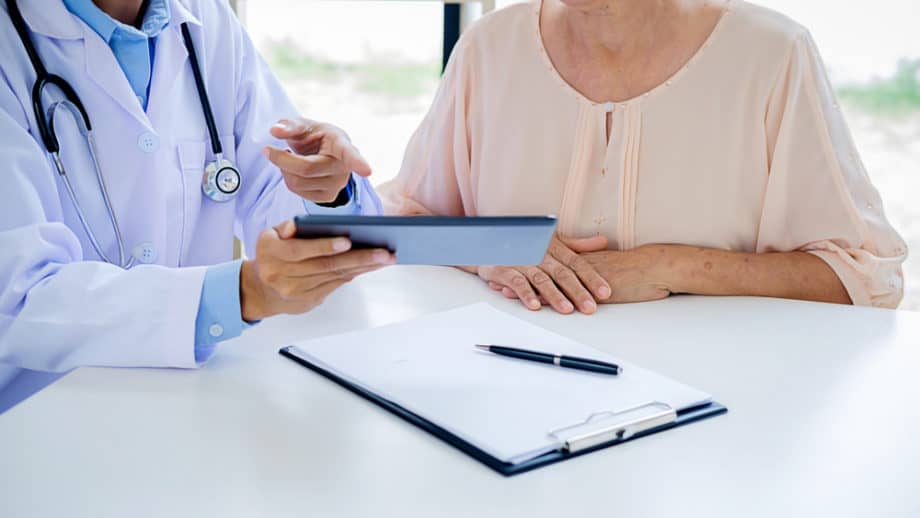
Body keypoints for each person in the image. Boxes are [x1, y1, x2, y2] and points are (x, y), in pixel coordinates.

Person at [382, 0, 907, 314]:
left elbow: (862, 280)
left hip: (716, 412)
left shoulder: (772, 53)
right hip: (510, 389)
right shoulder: (488, 47)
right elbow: (401, 218)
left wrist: (667, 265)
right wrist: (491, 248)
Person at [0, 0, 394, 412]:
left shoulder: (205, 21)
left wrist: (324, 190)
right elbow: (19, 299)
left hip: (191, 403)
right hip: (37, 422)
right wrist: (240, 294)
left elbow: (276, 197)